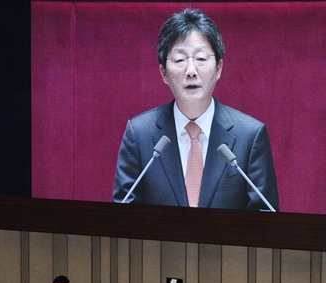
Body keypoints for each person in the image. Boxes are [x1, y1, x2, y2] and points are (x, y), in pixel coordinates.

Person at [112, 7, 279, 211]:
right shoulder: (140, 134)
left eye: (200, 59)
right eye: (180, 60)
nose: (191, 71)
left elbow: (266, 218)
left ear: (219, 68)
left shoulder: (250, 136)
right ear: (163, 72)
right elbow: (122, 216)